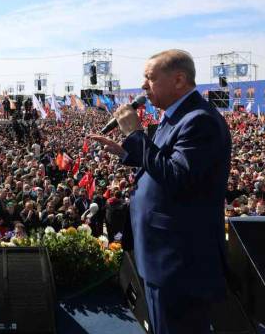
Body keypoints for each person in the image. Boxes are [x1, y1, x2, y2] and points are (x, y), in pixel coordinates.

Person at [88, 49, 231, 334]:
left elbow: (179, 177)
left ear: (179, 80)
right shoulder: (175, 116)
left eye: (150, 78)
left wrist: (135, 136)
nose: (142, 86)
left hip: (180, 261)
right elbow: (165, 164)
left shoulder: (198, 120)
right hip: (162, 255)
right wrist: (126, 151)